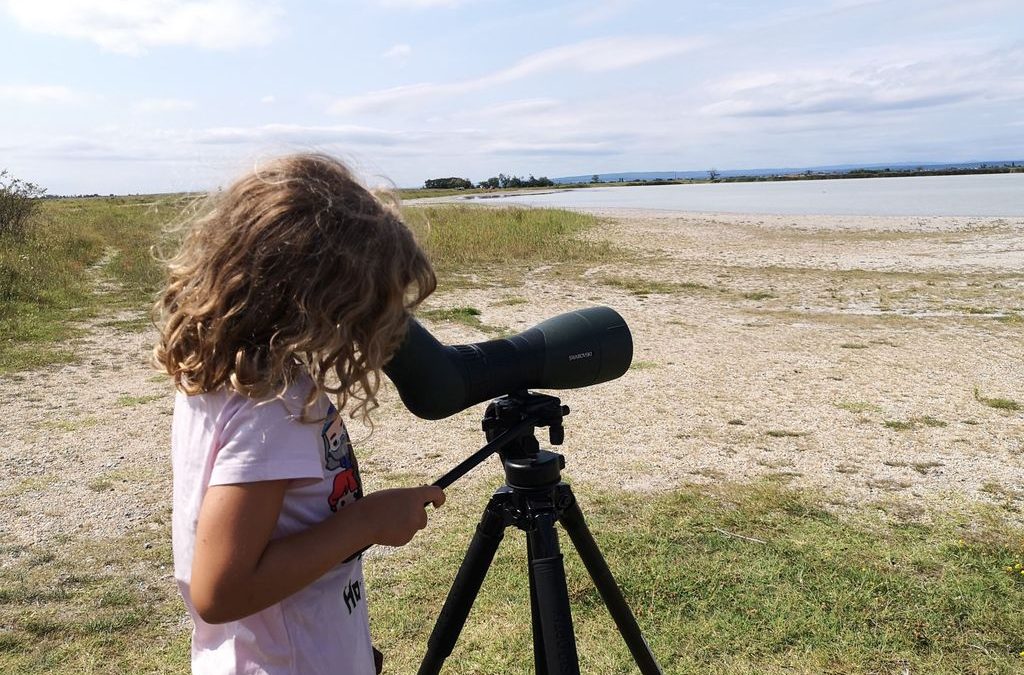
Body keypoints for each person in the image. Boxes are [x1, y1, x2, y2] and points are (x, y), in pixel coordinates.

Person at [154, 153, 445, 674]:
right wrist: (368, 521)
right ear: (315, 297)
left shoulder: (228, 377)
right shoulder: (272, 409)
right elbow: (221, 590)